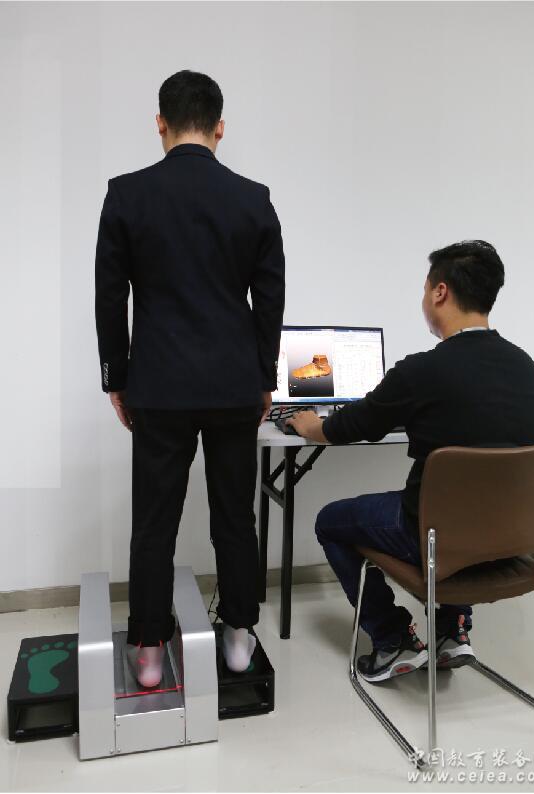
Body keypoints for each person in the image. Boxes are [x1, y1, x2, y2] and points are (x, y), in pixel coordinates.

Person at [95, 70, 285, 687]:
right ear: (220, 127)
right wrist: (263, 377)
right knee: (235, 517)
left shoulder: (126, 194)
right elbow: (270, 299)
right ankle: (238, 637)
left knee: (154, 521)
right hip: (234, 387)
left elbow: (110, 297)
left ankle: (149, 651)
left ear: (160, 123)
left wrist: (116, 377)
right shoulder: (253, 199)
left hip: (158, 385)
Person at [288, 240, 534, 683]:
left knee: (330, 521)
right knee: (465, 505)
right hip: (508, 539)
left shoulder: (421, 371)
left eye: (425, 289)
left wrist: (310, 425)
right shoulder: (525, 366)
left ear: (440, 292)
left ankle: (393, 640)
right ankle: (452, 631)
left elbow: (347, 427)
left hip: (433, 538)